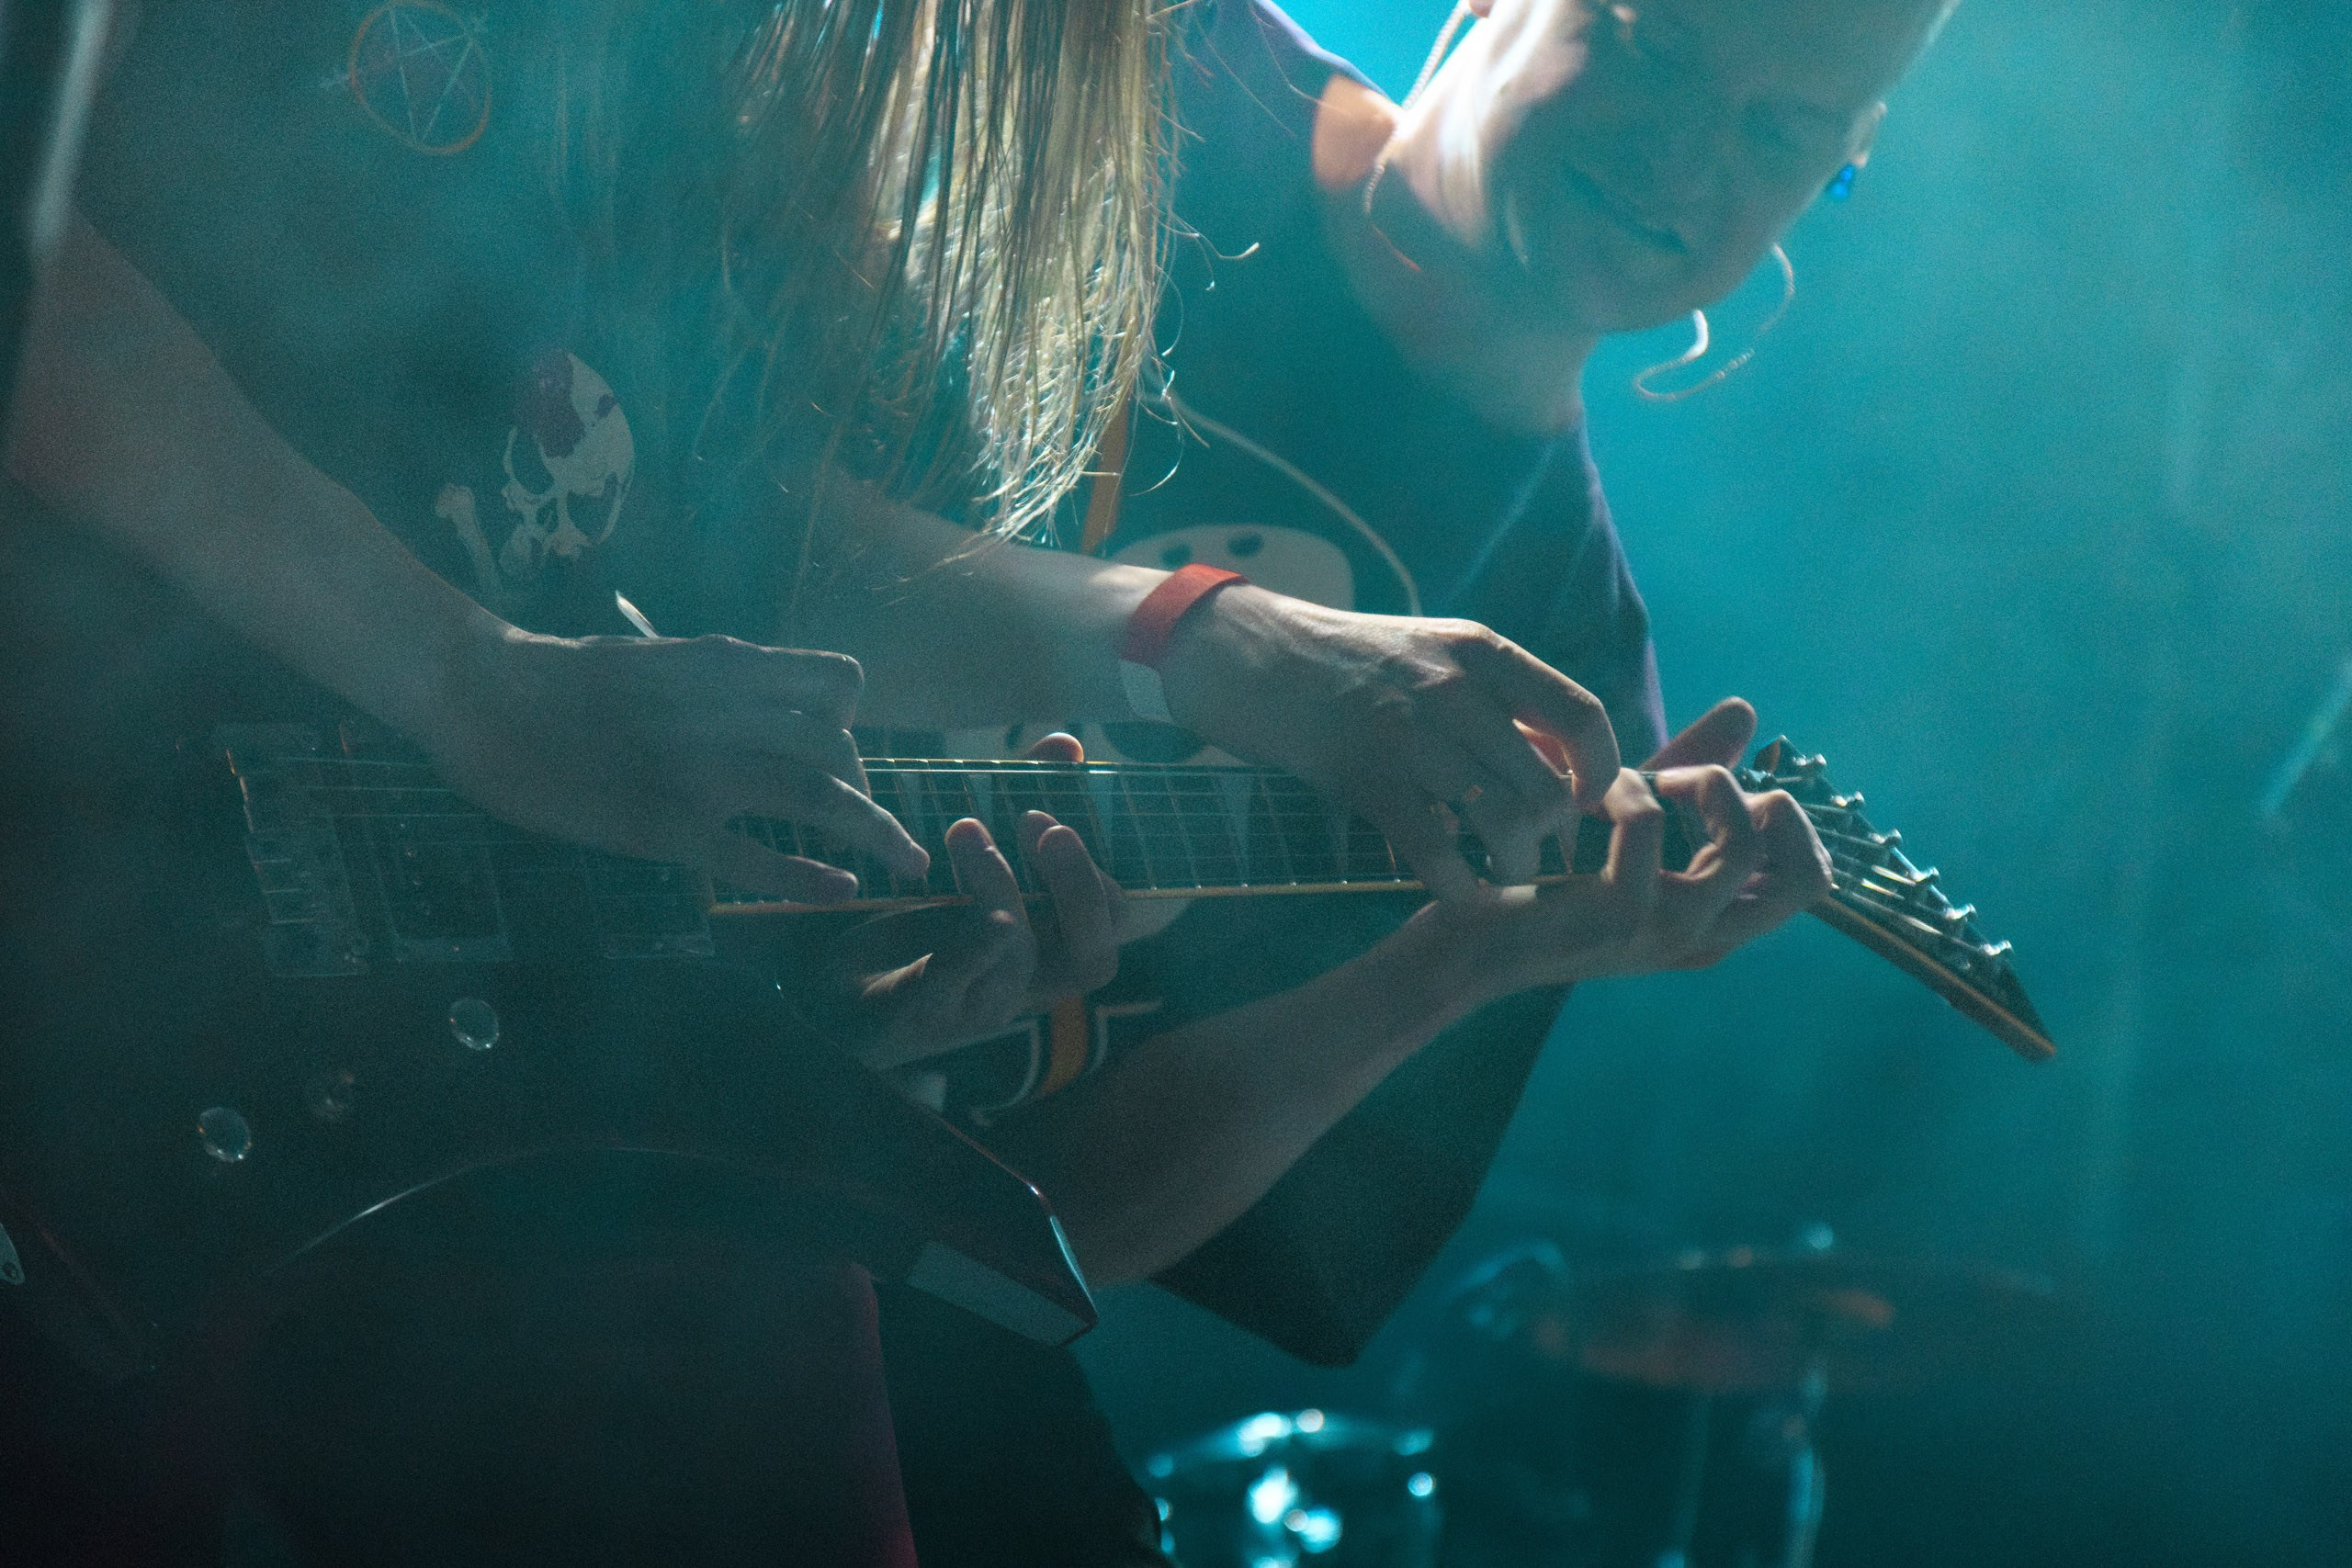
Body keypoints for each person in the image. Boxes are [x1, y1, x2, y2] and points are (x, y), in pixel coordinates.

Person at [863, 0, 1954, 1561]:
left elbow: (1049, 1248)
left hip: (800, 1281)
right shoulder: (1128, 65)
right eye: (1652, 49)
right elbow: (666, 488)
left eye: (1780, 134)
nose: (1686, 156)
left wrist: (1460, 964)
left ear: (1836, 177)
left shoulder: (1575, 674)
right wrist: (1201, 641)